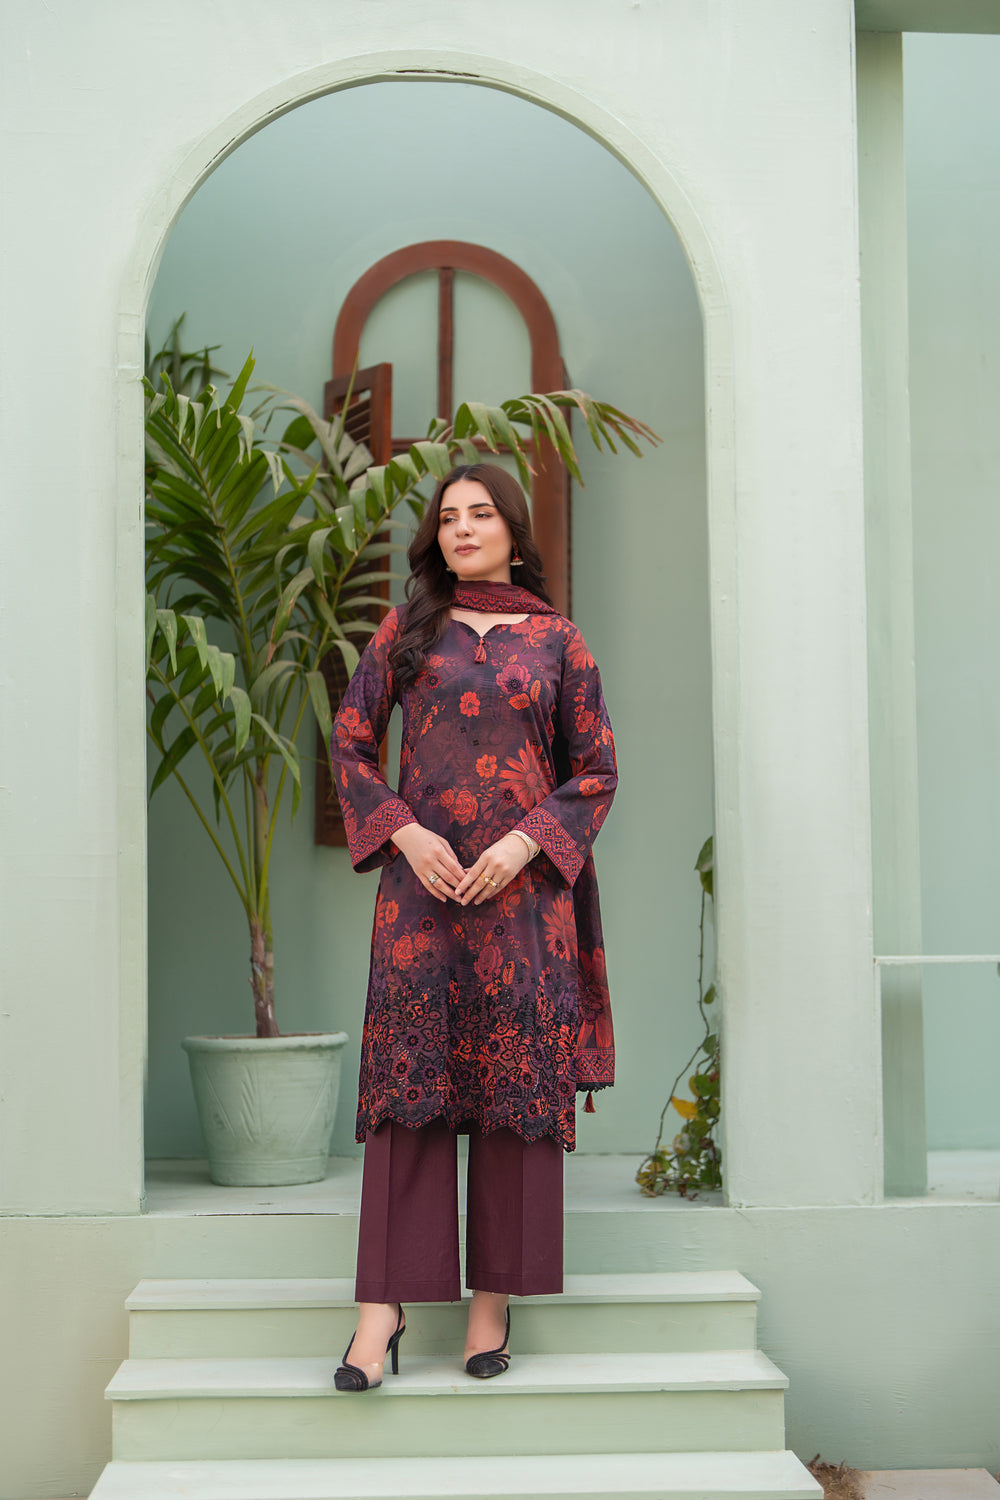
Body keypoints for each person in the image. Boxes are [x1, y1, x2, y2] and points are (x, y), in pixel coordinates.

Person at [329, 461, 617, 1392]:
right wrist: (404, 832)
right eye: (448, 517)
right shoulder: (406, 630)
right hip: (422, 897)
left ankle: (491, 1305)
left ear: (513, 534)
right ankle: (381, 1310)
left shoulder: (559, 641)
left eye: (480, 514)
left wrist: (527, 842)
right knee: (407, 1095)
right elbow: (350, 742)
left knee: (513, 1093)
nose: (461, 528)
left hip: (525, 903)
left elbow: (597, 769)